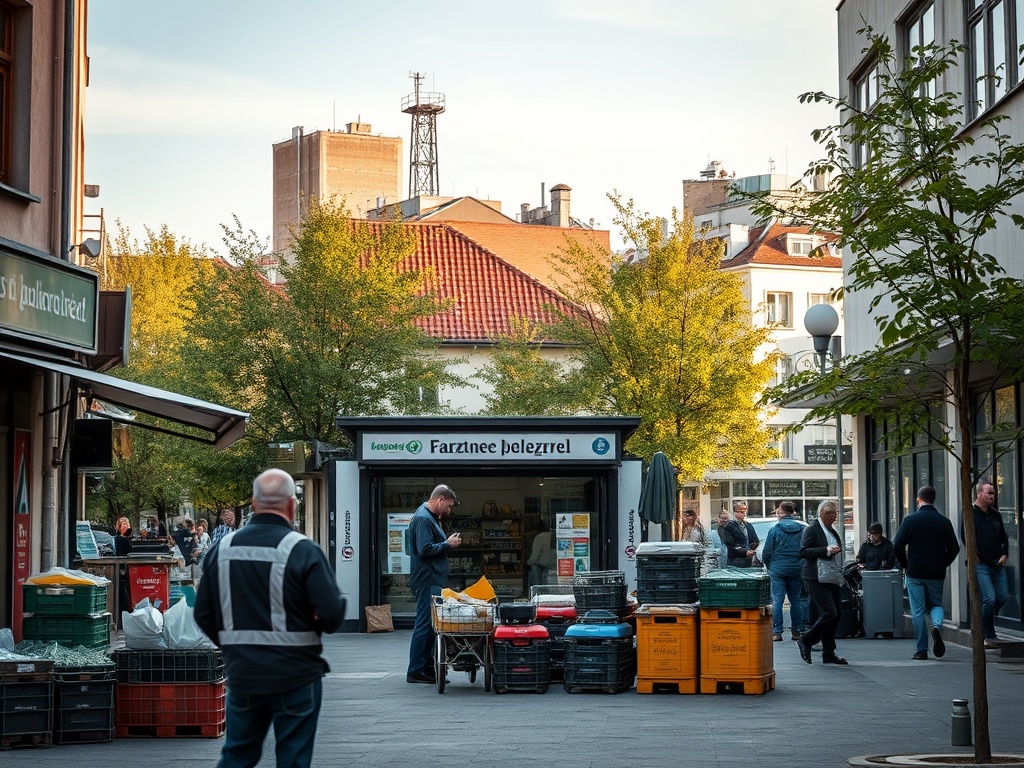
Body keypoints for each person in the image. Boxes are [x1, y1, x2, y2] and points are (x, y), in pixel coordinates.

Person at [194, 468, 345, 768]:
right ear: (292, 505)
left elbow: (203, 614)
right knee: (293, 759)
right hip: (297, 674)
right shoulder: (303, 550)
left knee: (237, 754)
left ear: (253, 503)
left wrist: (232, 646)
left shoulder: (220, 551)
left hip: (244, 672)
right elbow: (331, 613)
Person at [892, 485, 960, 660]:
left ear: (918, 499)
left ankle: (921, 649)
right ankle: (936, 626)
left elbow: (897, 545)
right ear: (933, 499)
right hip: (936, 571)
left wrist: (905, 564)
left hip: (915, 571)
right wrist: (943, 563)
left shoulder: (911, 520)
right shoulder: (944, 522)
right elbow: (954, 548)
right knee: (936, 603)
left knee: (918, 610)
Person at [406, 484, 462, 684]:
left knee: (431, 625)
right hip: (427, 579)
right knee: (424, 624)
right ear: (440, 499)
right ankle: (416, 669)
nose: (449, 510)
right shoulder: (423, 518)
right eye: (448, 506)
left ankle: (427, 667)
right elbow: (425, 549)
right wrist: (448, 544)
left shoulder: (428, 517)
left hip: (431, 578)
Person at [797, 499, 848, 665]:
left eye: (834, 513)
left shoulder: (832, 531)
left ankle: (828, 652)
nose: (832, 516)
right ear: (821, 513)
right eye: (828, 513)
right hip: (815, 576)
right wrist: (826, 551)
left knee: (837, 614)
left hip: (831, 576)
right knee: (829, 612)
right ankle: (806, 640)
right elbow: (803, 552)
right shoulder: (812, 530)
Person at [961, 480, 1009, 648]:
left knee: (1002, 596)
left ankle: (984, 621)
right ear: (979, 494)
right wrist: (979, 557)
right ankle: (987, 634)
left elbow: (1004, 537)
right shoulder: (970, 514)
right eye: (989, 493)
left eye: (993, 493)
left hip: (998, 564)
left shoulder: (996, 514)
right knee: (989, 598)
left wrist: (1005, 554)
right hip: (981, 564)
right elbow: (967, 540)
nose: (992, 496)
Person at [761, 501, 805, 642]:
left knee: (777, 600)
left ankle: (777, 632)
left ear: (781, 511)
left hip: (778, 568)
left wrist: (770, 566)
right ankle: (796, 631)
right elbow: (805, 549)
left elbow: (767, 551)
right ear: (793, 512)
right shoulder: (802, 529)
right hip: (796, 568)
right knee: (796, 601)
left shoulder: (775, 530)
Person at [721, 501, 760, 567]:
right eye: (741, 512)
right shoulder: (729, 526)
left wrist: (755, 547)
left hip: (748, 561)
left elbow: (755, 540)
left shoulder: (749, 526)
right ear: (735, 513)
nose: (744, 514)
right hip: (735, 561)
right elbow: (730, 545)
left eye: (745, 511)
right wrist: (745, 552)